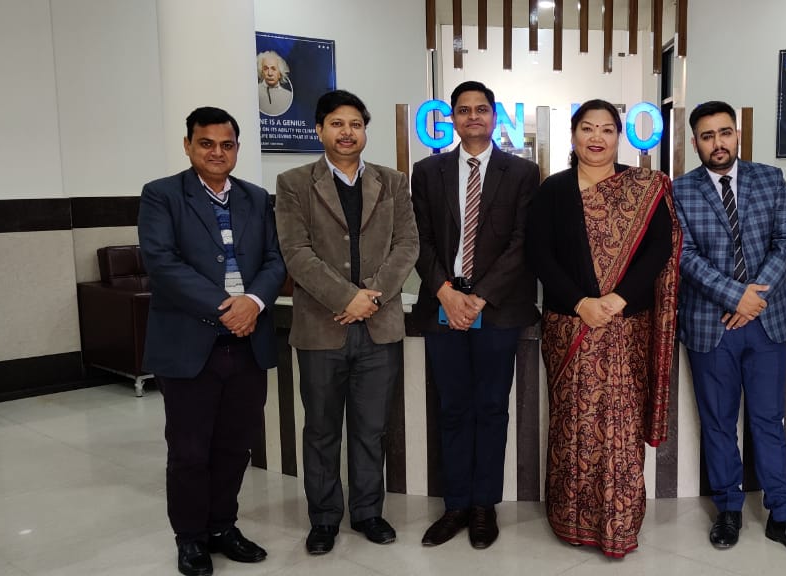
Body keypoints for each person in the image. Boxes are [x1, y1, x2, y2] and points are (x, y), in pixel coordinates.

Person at [524, 99, 680, 558]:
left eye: (607, 129)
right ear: (573, 135)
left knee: (622, 426)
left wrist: (618, 298)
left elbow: (659, 248)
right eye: (587, 128)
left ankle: (621, 522)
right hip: (569, 324)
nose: (597, 138)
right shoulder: (553, 190)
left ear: (619, 136)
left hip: (627, 324)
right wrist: (581, 303)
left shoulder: (643, 188)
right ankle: (571, 519)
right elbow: (538, 254)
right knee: (573, 423)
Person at [139, 106, 285, 576]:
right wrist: (229, 307)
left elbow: (275, 259)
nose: (217, 153)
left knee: (235, 447)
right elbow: (162, 263)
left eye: (227, 145)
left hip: (247, 345)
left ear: (237, 149)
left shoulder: (256, 198)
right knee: (189, 451)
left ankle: (223, 527)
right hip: (190, 345)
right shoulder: (162, 195)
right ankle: (190, 538)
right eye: (206, 143)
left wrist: (254, 303)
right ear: (188, 145)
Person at [673, 101, 786, 557]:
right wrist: (734, 296)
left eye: (724, 133)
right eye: (707, 136)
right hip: (711, 325)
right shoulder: (680, 190)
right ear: (695, 142)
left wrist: (754, 297)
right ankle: (728, 509)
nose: (717, 143)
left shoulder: (769, 179)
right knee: (718, 423)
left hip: (766, 323)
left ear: (737, 134)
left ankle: (783, 515)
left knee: (769, 422)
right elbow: (684, 254)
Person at [275, 90, 419, 555]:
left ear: (364, 131)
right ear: (319, 130)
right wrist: (346, 298)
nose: (347, 132)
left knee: (371, 428)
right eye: (337, 124)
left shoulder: (392, 182)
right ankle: (323, 518)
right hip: (322, 327)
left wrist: (369, 297)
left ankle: (368, 512)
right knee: (321, 430)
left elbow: (407, 245)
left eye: (355, 124)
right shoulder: (294, 183)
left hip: (378, 326)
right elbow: (296, 252)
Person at [410, 81, 540, 549]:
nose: (472, 117)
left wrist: (479, 297)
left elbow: (523, 242)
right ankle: (456, 506)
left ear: (494, 116)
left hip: (497, 310)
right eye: (463, 110)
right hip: (443, 305)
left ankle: (484, 506)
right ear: (451, 118)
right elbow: (419, 239)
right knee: (452, 409)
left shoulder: (522, 172)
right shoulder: (428, 171)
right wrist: (446, 292)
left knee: (491, 408)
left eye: (481, 109)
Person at [257, 50, 293, 116]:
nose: (270, 73)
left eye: (273, 69)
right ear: (262, 72)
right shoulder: (255, 92)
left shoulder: (288, 96)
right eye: (265, 69)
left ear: (280, 73)